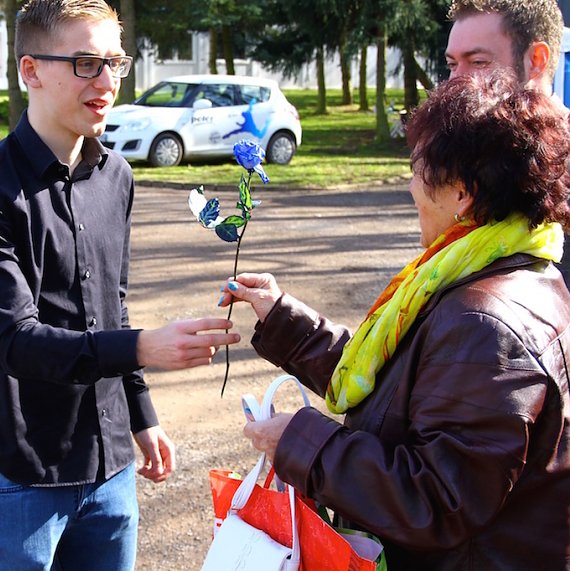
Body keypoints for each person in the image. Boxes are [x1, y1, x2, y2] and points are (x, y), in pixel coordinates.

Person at [223, 72, 570, 569]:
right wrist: (284, 319)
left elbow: (438, 500)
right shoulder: (504, 269)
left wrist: (299, 443)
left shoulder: (484, 321)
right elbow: (401, 388)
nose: (410, 187)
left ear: (463, 193)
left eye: (417, 169)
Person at [0, 1, 239, 569]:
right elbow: (14, 341)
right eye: (85, 64)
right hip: (18, 470)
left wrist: (141, 415)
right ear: (31, 70)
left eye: (114, 63)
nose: (106, 82)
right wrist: (144, 347)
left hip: (110, 466)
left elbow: (111, 308)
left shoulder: (116, 176)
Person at [444, 0, 570, 288]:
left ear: (536, 60)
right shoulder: (463, 157)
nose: (455, 82)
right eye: (452, 65)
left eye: (478, 62)